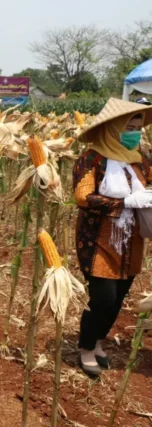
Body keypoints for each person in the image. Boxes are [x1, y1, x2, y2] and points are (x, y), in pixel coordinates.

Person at [74, 98, 152, 377]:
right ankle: (84, 348)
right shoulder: (92, 158)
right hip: (99, 241)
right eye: (128, 127)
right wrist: (125, 203)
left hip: (132, 240)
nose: (134, 132)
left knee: (119, 298)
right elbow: (83, 197)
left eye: (138, 126)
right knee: (103, 299)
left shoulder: (142, 159)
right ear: (112, 128)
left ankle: (97, 342)